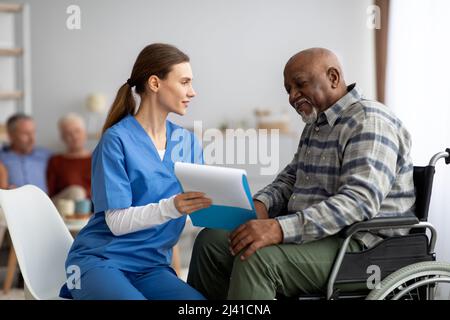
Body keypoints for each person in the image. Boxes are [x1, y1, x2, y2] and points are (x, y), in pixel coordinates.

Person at [187, 48, 415, 300]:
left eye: (300, 85)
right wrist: (261, 204)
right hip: (318, 236)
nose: (293, 96)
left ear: (333, 77)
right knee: (210, 242)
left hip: (362, 247)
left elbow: (359, 202)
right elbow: (290, 179)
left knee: (257, 258)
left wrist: (278, 229)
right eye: (288, 89)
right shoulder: (316, 125)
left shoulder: (369, 120)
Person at [61, 43, 212, 300]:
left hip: (151, 266)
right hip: (100, 260)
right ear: (155, 83)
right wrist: (174, 207)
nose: (192, 92)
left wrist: (223, 210)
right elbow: (117, 223)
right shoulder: (116, 140)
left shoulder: (188, 143)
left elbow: (190, 213)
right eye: (184, 82)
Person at [46, 113, 91, 204]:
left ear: (85, 133)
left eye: (77, 131)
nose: (74, 137)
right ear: (62, 138)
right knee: (76, 192)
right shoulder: (56, 160)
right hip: (63, 205)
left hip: (92, 206)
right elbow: (51, 192)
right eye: (68, 134)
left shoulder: (98, 158)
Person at [0, 114, 52, 192]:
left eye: (33, 132)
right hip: (13, 201)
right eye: (26, 134)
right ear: (11, 135)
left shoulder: (47, 155)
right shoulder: (2, 158)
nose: (32, 139)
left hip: (45, 202)